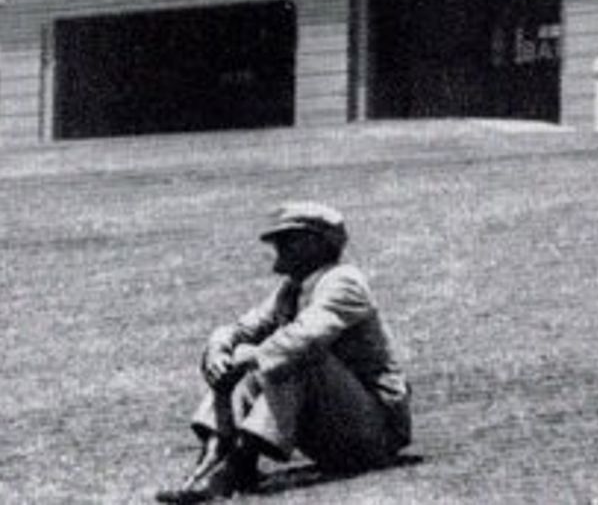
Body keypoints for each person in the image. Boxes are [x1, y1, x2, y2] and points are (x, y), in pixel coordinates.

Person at [155, 201, 411, 502]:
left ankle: (236, 466)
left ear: (317, 243)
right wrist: (219, 350)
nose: (279, 245)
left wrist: (251, 357)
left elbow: (307, 337)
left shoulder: (344, 282)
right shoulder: (292, 288)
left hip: (375, 434)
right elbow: (241, 329)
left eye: (289, 238)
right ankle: (211, 460)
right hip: (334, 431)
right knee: (245, 354)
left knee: (292, 355)